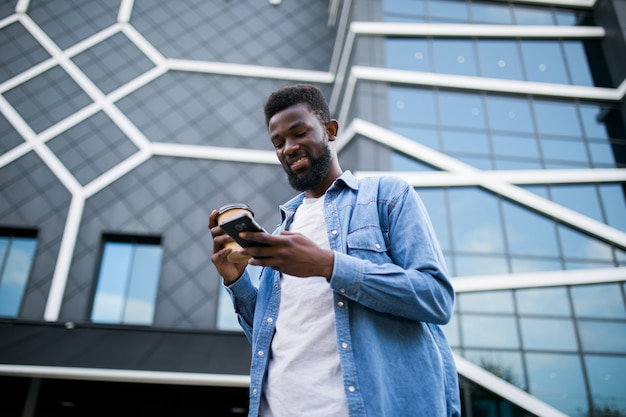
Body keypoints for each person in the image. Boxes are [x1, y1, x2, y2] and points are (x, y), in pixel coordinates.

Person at [209, 83, 460, 417]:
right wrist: (237, 282)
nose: (289, 148)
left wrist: (328, 265)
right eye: (278, 142)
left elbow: (436, 298)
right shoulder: (282, 235)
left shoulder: (387, 197)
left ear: (330, 130)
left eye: (299, 133)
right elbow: (271, 339)